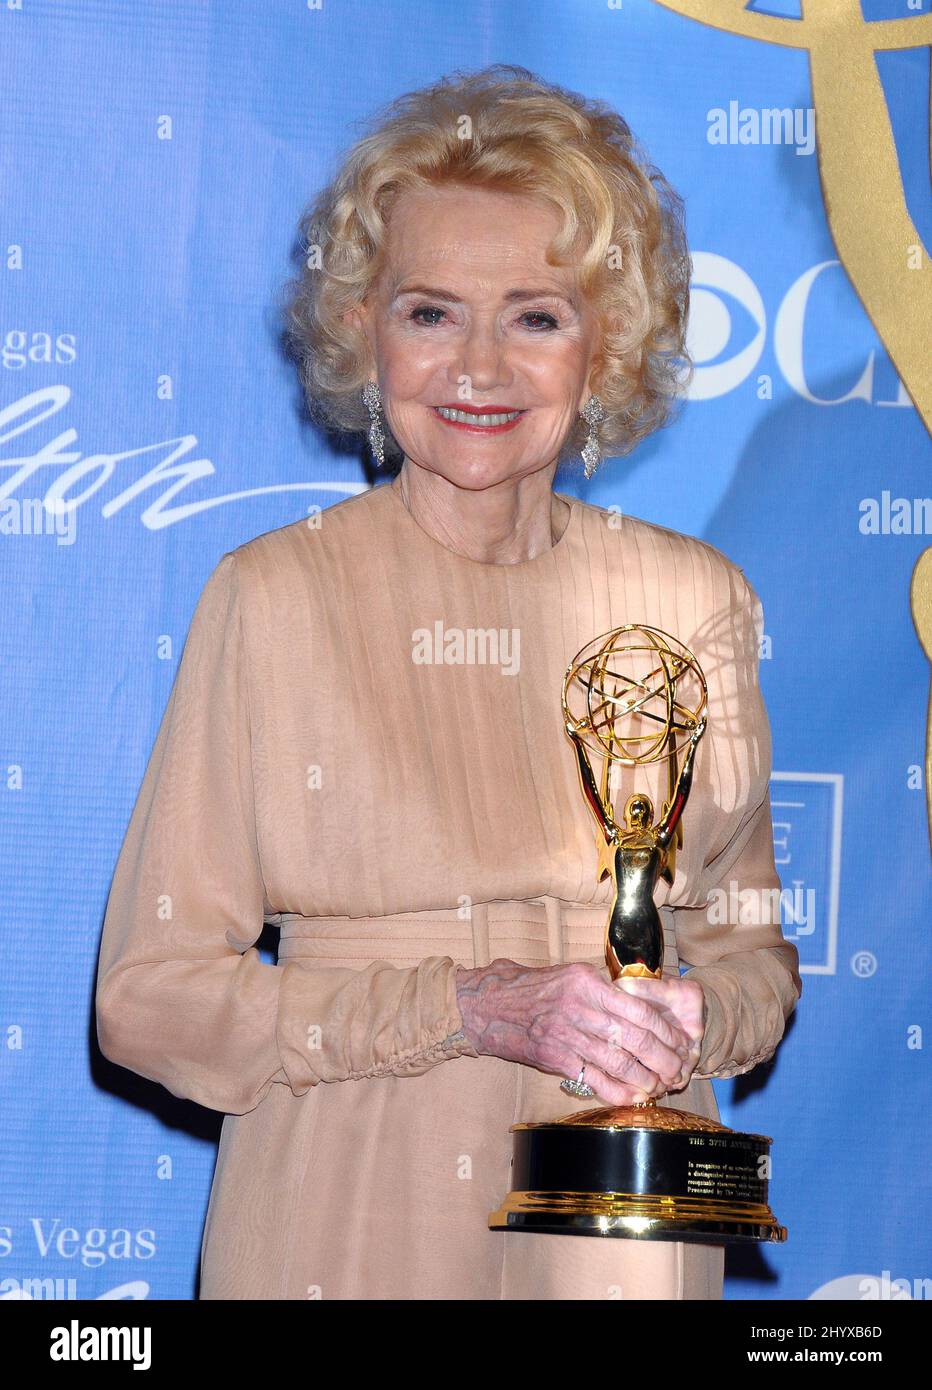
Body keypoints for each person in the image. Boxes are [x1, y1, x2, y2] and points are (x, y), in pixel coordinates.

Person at [95, 64, 802, 1300]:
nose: (477, 366)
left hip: (617, 1226)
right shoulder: (271, 595)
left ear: (607, 344)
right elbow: (148, 1002)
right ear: (363, 331)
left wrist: (699, 1015)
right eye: (430, 312)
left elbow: (747, 949)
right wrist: (468, 1005)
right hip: (349, 1211)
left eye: (534, 315)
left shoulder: (698, 600)